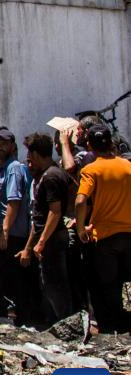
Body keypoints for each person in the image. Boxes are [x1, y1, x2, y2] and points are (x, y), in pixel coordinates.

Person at [75, 126, 131, 333]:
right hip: (129, 233)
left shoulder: (91, 170)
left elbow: (81, 201)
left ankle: (113, 325)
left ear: (89, 145)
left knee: (109, 284)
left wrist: (81, 228)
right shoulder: (127, 166)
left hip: (106, 236)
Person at [21, 133, 73, 323]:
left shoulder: (51, 176)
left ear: (35, 153)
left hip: (52, 237)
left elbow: (55, 212)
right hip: (49, 235)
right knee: (48, 283)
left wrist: (41, 242)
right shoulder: (50, 173)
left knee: (55, 284)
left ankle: (66, 323)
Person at [0, 129, 37, 324]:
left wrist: (5, 231)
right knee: (2, 273)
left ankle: (20, 317)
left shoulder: (14, 168)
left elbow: (14, 202)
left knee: (13, 276)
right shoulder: (1, 168)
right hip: (3, 229)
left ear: (12, 146)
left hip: (13, 233)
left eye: (4, 144)